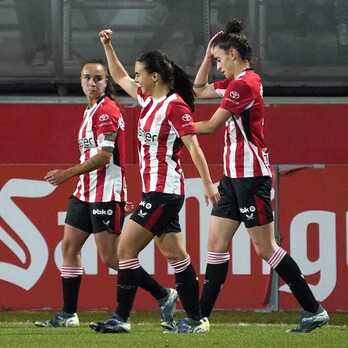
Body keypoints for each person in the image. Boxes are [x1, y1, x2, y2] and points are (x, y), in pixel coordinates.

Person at [193, 19, 330, 333]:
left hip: (251, 176)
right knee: (215, 243)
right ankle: (199, 318)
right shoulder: (236, 82)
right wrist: (204, 58)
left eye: (217, 59)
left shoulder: (244, 84)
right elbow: (198, 90)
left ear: (233, 55)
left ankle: (314, 309)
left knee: (265, 248)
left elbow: (212, 126)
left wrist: (176, 128)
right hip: (232, 178)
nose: (216, 66)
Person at [90, 29, 220, 334]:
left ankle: (123, 318)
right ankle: (196, 318)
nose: (135, 79)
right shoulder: (147, 97)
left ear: (155, 77)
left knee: (124, 251)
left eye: (140, 74)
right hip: (156, 190)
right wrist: (108, 46)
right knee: (177, 257)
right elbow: (118, 75)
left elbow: (194, 148)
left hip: (165, 192)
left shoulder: (175, 107)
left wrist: (208, 183)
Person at [34, 60, 178, 328]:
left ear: (105, 82)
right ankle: (68, 314)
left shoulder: (107, 111)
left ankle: (163, 294)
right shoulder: (89, 111)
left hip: (105, 192)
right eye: (87, 77)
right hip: (84, 192)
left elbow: (104, 156)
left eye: (98, 78)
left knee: (113, 257)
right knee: (69, 247)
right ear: (80, 80)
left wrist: (67, 174)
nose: (92, 83)